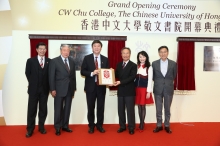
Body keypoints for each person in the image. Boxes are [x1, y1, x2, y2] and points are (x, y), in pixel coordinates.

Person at [81, 40, 109, 134]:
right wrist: (92, 73)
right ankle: (91, 125)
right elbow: (83, 71)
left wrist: (110, 73)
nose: (97, 48)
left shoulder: (105, 59)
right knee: (91, 107)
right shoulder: (87, 58)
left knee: (101, 107)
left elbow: (108, 72)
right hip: (90, 87)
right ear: (92, 48)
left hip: (101, 87)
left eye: (98, 46)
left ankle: (100, 125)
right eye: (95, 46)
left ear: (101, 48)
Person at [49, 44, 76, 136]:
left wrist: (74, 88)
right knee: (58, 109)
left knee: (67, 108)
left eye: (68, 50)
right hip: (58, 89)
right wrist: (52, 89)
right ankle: (57, 127)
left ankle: (65, 126)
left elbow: (73, 77)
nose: (66, 52)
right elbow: (51, 76)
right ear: (61, 51)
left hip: (69, 89)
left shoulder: (72, 61)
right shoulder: (54, 61)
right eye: (64, 50)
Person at [25, 42, 50, 138]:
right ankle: (30, 129)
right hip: (33, 90)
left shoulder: (49, 61)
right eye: (40, 48)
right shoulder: (30, 61)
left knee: (43, 110)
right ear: (36, 49)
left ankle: (41, 127)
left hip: (44, 90)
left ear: (46, 50)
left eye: (44, 49)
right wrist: (34, 83)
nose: (42, 50)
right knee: (32, 110)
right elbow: (27, 73)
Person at [152, 46, 177, 134]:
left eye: (165, 52)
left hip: (168, 88)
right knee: (158, 109)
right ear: (159, 53)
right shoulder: (154, 63)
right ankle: (159, 125)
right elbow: (153, 76)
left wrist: (167, 82)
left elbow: (174, 76)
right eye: (161, 52)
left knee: (167, 109)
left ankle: (167, 125)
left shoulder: (173, 63)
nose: (163, 53)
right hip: (158, 88)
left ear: (167, 53)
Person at [114, 47, 137, 135]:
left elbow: (132, 77)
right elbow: (116, 74)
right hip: (121, 90)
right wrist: (109, 74)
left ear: (130, 54)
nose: (125, 55)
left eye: (127, 53)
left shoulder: (133, 65)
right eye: (123, 53)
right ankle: (122, 126)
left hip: (129, 91)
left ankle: (131, 127)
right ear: (121, 54)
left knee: (130, 110)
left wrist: (120, 82)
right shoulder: (119, 64)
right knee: (121, 110)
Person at [135, 51, 154, 133]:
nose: (142, 58)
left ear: (146, 57)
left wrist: (148, 91)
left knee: (143, 106)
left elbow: (150, 80)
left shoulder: (149, 67)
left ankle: (142, 124)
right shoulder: (136, 66)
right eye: (140, 57)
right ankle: (141, 122)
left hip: (144, 90)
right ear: (138, 58)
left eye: (143, 57)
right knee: (139, 106)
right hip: (137, 89)